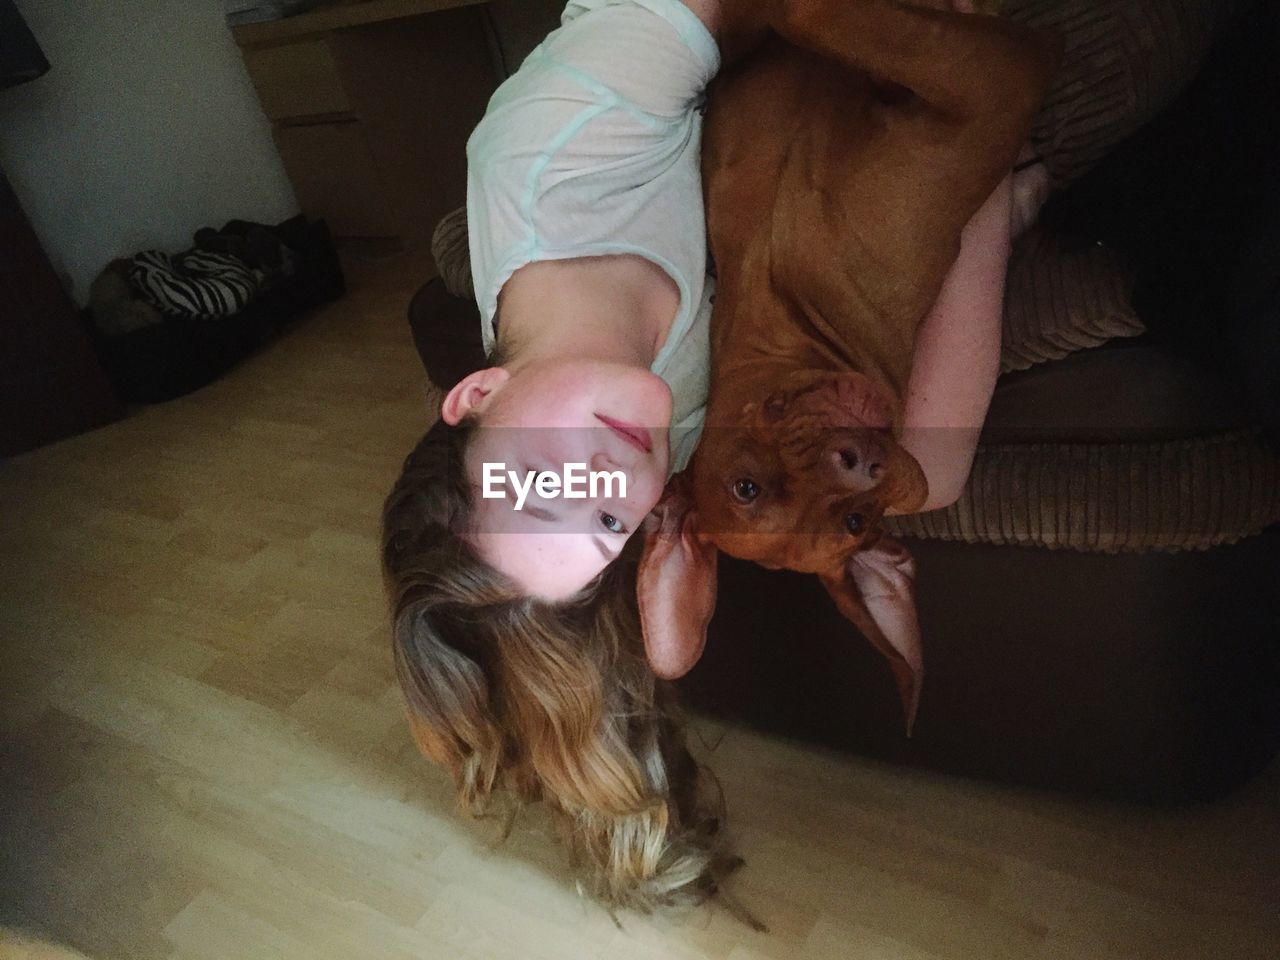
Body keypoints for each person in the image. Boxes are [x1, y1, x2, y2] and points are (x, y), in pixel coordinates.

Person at [382, 0, 1029, 910]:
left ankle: (993, 137)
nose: (608, 475)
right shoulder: (656, 437)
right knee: (929, 472)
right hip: (795, 130)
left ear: (478, 395)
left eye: (545, 481)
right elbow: (892, 472)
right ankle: (997, 166)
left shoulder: (552, 147)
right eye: (606, 519)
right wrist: (673, 631)